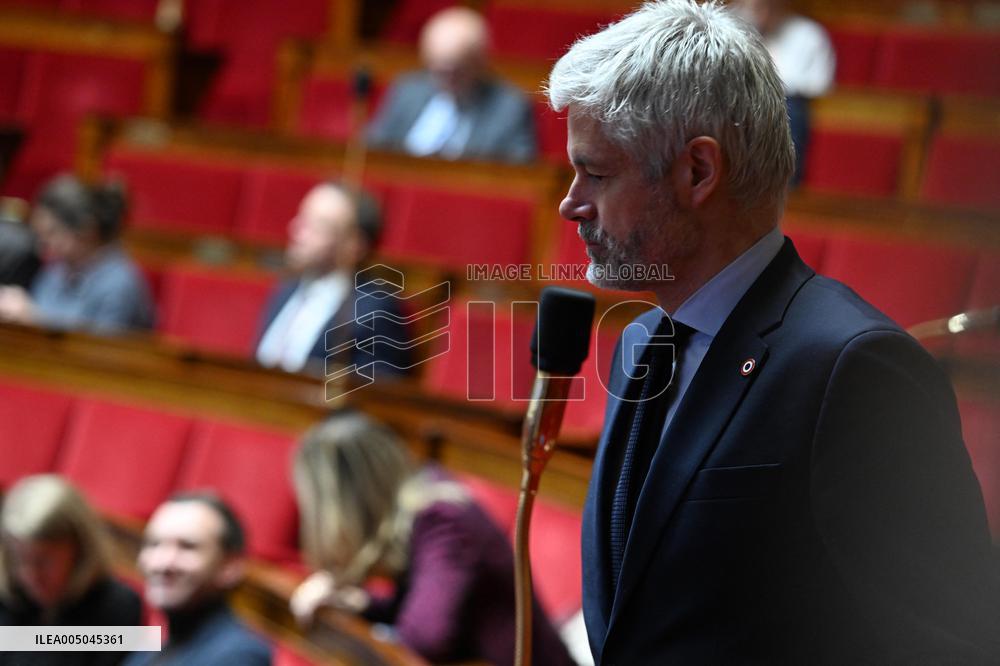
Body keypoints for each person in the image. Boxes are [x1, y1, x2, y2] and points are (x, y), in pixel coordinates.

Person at [547, 1, 1000, 663]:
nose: (570, 202)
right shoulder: (642, 341)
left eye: (598, 171)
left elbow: (952, 643)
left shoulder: (855, 368)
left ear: (699, 172)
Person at [289, 412, 573, 666]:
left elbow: (425, 639)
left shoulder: (442, 519)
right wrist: (360, 605)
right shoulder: (424, 505)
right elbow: (424, 609)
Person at [256, 181, 412, 376]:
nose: (295, 230)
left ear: (355, 245)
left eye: (317, 226)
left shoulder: (374, 311)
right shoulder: (287, 288)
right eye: (302, 218)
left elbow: (375, 395)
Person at [0, 475, 142, 666]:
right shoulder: (7, 596)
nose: (30, 575)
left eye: (44, 561)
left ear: (80, 551)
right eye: (19, 560)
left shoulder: (117, 605)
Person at [366, 7, 538, 164]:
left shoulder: (509, 107)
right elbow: (372, 150)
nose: (447, 80)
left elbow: (521, 173)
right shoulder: (407, 91)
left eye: (457, 72)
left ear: (479, 63)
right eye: (439, 71)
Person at [123, 493, 270, 666]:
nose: (163, 563)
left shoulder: (238, 655)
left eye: (187, 547)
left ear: (229, 567)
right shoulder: (149, 642)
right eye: (154, 544)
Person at [0, 174, 153, 333]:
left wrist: (33, 318)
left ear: (87, 230)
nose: (43, 245)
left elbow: (101, 351)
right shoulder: (57, 268)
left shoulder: (119, 285)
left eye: (52, 233)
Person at [732, 0, 835, 185]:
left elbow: (818, 90)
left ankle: (781, 185)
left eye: (766, 5)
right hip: (737, 107)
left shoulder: (809, 35)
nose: (760, 10)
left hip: (787, 113)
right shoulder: (728, 27)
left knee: (791, 108)